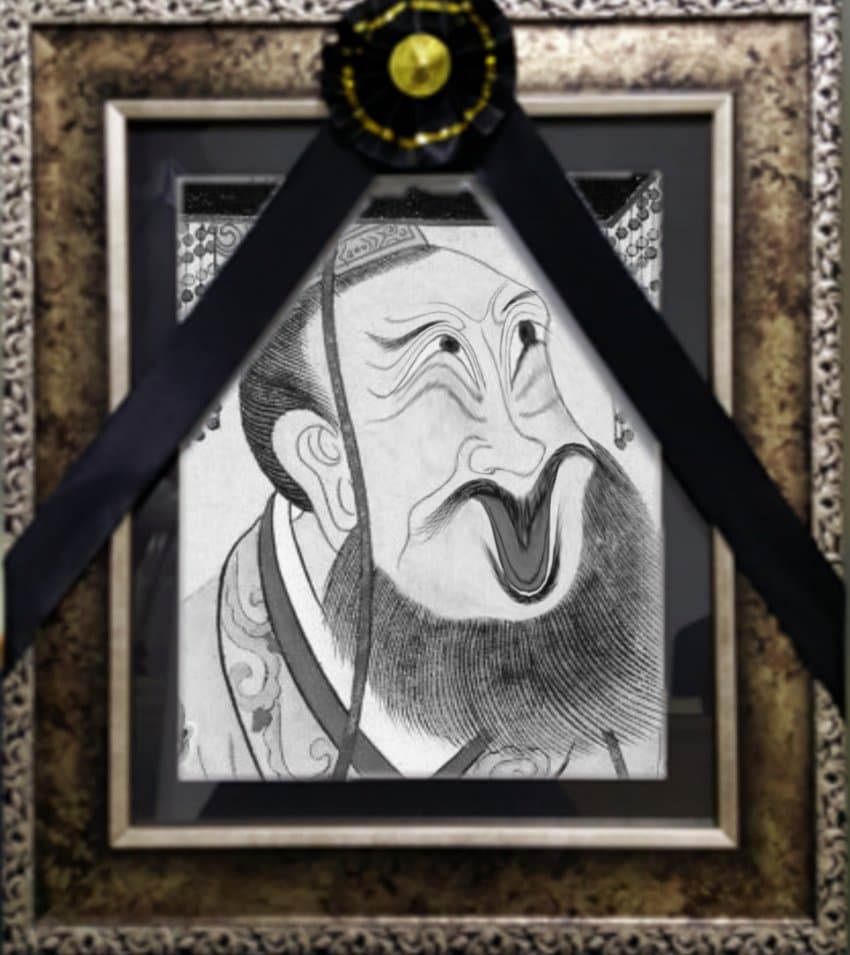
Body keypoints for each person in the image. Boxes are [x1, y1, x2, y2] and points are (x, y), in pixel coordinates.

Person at [179, 220, 664, 780]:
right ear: (328, 462)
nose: (525, 449)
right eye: (438, 370)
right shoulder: (188, 700)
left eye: (524, 341)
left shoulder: (640, 687)